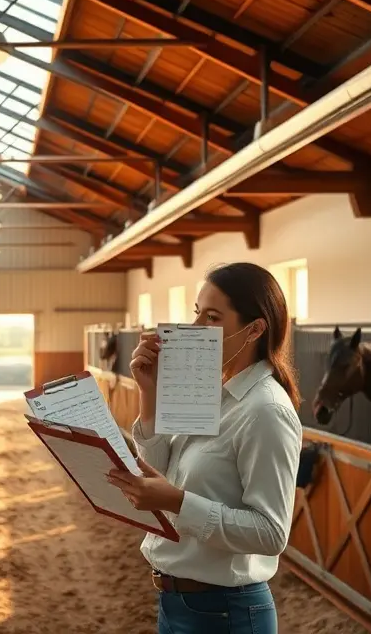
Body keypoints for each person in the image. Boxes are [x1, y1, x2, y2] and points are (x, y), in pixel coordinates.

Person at [105, 262, 302, 634]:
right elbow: (163, 470)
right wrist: (150, 393)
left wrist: (177, 502)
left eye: (211, 318)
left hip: (226, 611)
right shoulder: (206, 390)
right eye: (197, 313)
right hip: (178, 603)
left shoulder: (266, 411)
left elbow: (271, 533)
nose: (195, 328)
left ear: (254, 330)